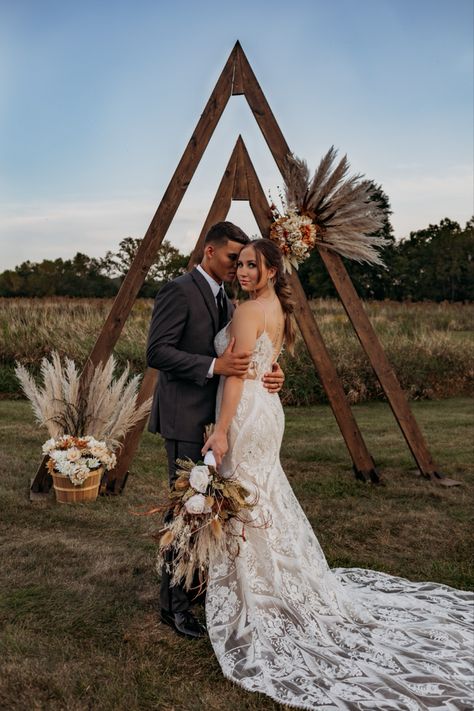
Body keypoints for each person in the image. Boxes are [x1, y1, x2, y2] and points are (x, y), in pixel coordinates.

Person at [202, 238, 473, 710]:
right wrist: (273, 377)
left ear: (269, 270)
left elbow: (237, 373)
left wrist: (221, 431)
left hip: (246, 412)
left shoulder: (248, 311)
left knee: (247, 496)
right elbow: (269, 362)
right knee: (263, 494)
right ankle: (276, 582)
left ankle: (260, 593)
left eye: (251, 265)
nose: (243, 271)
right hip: (268, 411)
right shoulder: (275, 309)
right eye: (240, 264)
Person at [146, 222, 284, 640]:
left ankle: (202, 586)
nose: (236, 269)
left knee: (212, 512)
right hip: (185, 416)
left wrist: (270, 372)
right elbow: (157, 351)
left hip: (220, 419)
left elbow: (247, 350)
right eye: (231, 259)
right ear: (209, 251)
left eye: (245, 262)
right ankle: (175, 608)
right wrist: (213, 366)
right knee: (186, 511)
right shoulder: (179, 290)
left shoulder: (229, 297)